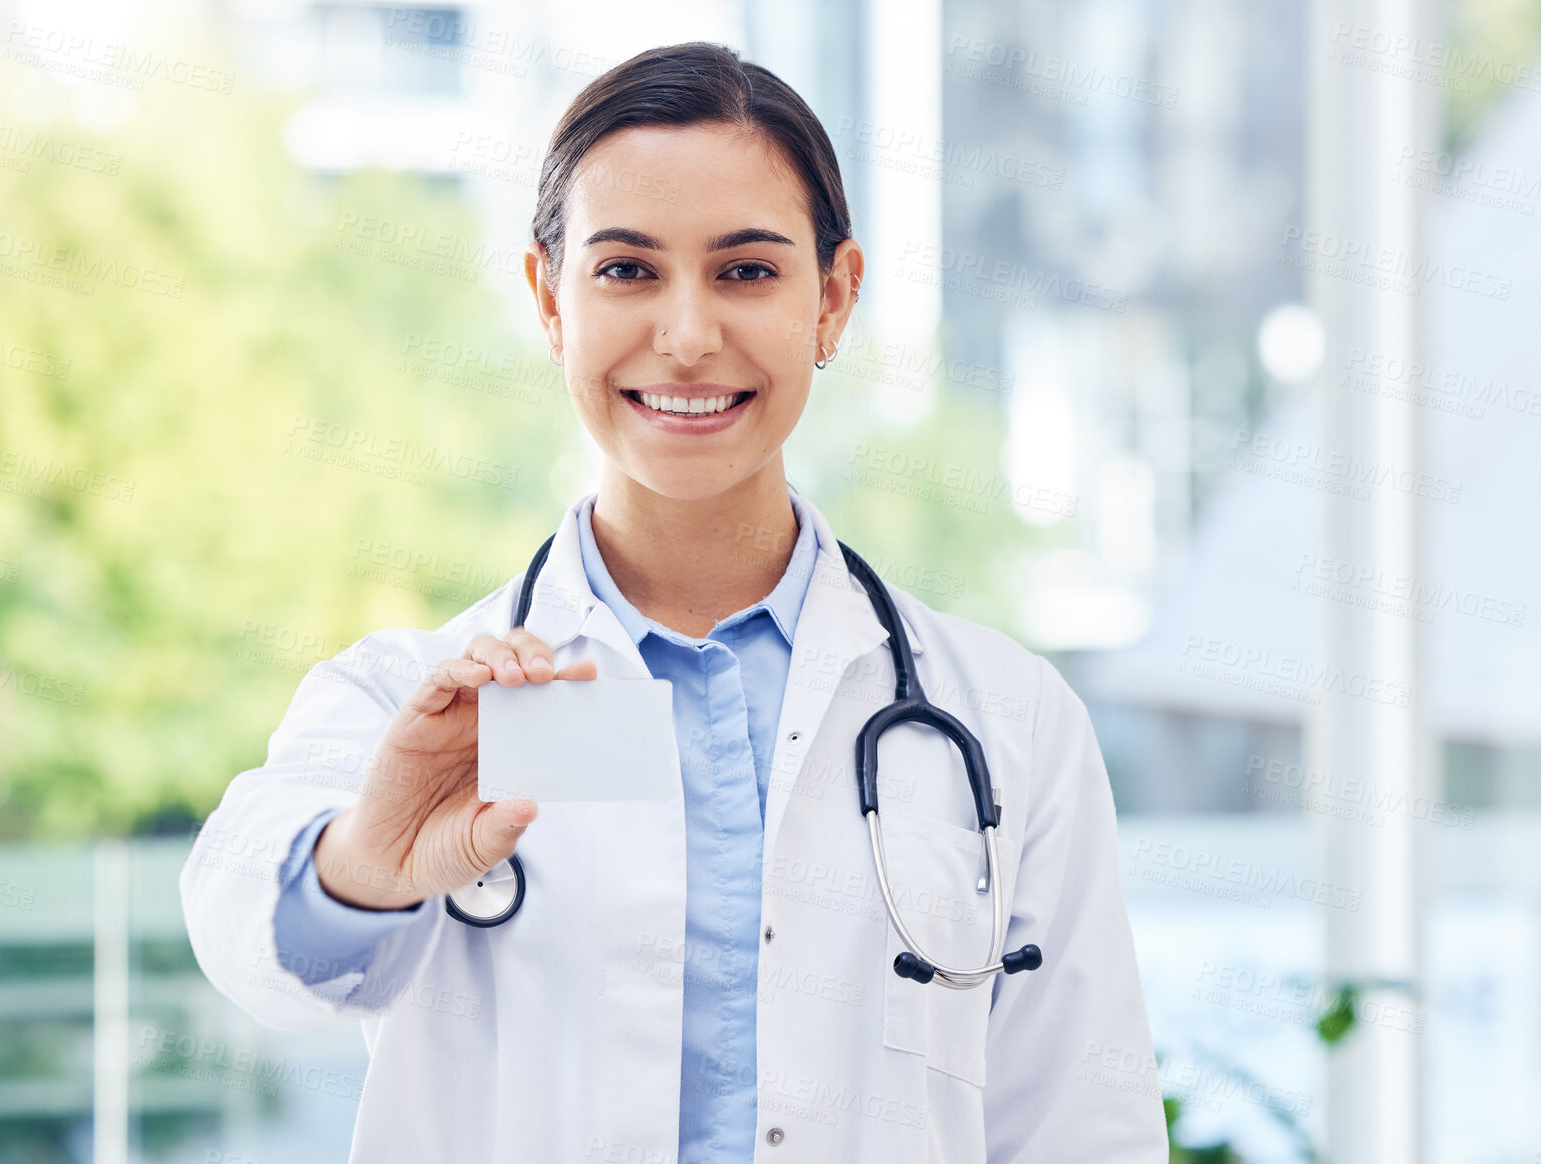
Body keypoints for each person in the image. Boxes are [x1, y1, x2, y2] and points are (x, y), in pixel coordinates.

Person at [180, 40, 1167, 1164]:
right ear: (549, 299)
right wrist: (367, 860)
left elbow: (1084, 1127)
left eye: (746, 271)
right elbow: (249, 940)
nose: (687, 337)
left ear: (832, 298)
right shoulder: (416, 706)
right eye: (626, 271)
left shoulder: (1005, 719)